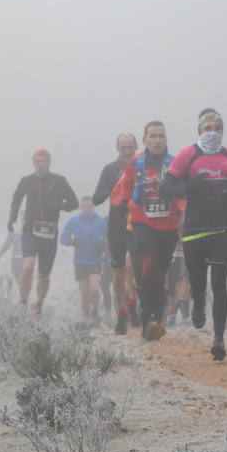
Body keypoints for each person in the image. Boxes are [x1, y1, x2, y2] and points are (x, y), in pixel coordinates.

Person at [162, 110, 227, 360]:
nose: (212, 133)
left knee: (219, 283)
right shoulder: (188, 155)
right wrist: (188, 187)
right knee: (198, 285)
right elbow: (166, 189)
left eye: (217, 129)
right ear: (199, 131)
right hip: (195, 231)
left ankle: (218, 339)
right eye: (207, 129)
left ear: (223, 131)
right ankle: (197, 304)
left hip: (223, 229)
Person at [7, 149, 79, 315]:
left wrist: (58, 205)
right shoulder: (26, 181)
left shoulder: (59, 181)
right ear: (33, 162)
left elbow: (74, 202)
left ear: (49, 162)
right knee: (28, 265)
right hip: (30, 229)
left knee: (44, 275)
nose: (41, 164)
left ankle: (38, 304)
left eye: (44, 161)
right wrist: (12, 219)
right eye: (38, 161)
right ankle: (23, 302)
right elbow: (16, 200)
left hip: (49, 232)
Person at [129, 121, 184, 340]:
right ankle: (146, 319)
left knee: (161, 272)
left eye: (161, 136)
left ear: (166, 139)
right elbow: (124, 188)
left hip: (168, 224)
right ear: (144, 140)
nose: (157, 140)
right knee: (148, 264)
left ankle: (156, 317)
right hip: (142, 221)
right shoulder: (136, 163)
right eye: (153, 136)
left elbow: (182, 192)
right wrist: (122, 206)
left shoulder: (175, 164)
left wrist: (182, 208)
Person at [93, 133, 139, 334]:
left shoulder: (143, 165)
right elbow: (96, 198)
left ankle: (133, 304)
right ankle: (122, 311)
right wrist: (115, 184)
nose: (127, 151)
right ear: (117, 148)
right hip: (116, 223)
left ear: (136, 146)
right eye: (123, 148)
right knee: (119, 272)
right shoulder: (109, 169)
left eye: (130, 147)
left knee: (132, 266)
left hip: (138, 221)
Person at [60, 196, 108, 320]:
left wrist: (104, 245)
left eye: (89, 206)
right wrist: (72, 241)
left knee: (94, 288)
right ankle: (86, 318)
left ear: (94, 207)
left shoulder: (101, 221)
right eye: (84, 206)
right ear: (80, 208)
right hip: (80, 261)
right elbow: (62, 238)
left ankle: (95, 310)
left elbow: (109, 238)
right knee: (85, 295)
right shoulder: (73, 221)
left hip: (96, 260)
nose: (87, 209)